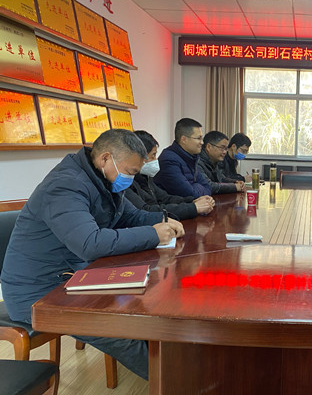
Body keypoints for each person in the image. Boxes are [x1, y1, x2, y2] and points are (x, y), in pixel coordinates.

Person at [1, 129, 183, 381]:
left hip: (75, 276)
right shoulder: (65, 185)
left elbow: (131, 216)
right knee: (119, 329)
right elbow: (90, 243)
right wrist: (153, 234)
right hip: (37, 292)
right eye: (130, 172)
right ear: (106, 158)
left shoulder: (103, 179)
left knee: (148, 304)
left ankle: (179, 372)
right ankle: (176, 384)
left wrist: (165, 220)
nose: (131, 179)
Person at [125, 130, 215, 219]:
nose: (156, 160)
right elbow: (147, 211)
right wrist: (193, 208)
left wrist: (193, 201)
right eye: (153, 156)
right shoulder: (126, 182)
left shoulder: (145, 177)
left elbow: (165, 198)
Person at [154, 118, 211, 198]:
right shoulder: (168, 160)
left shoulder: (190, 157)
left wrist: (195, 186)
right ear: (184, 139)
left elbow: (208, 187)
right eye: (198, 138)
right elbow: (190, 195)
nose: (202, 142)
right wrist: (197, 186)